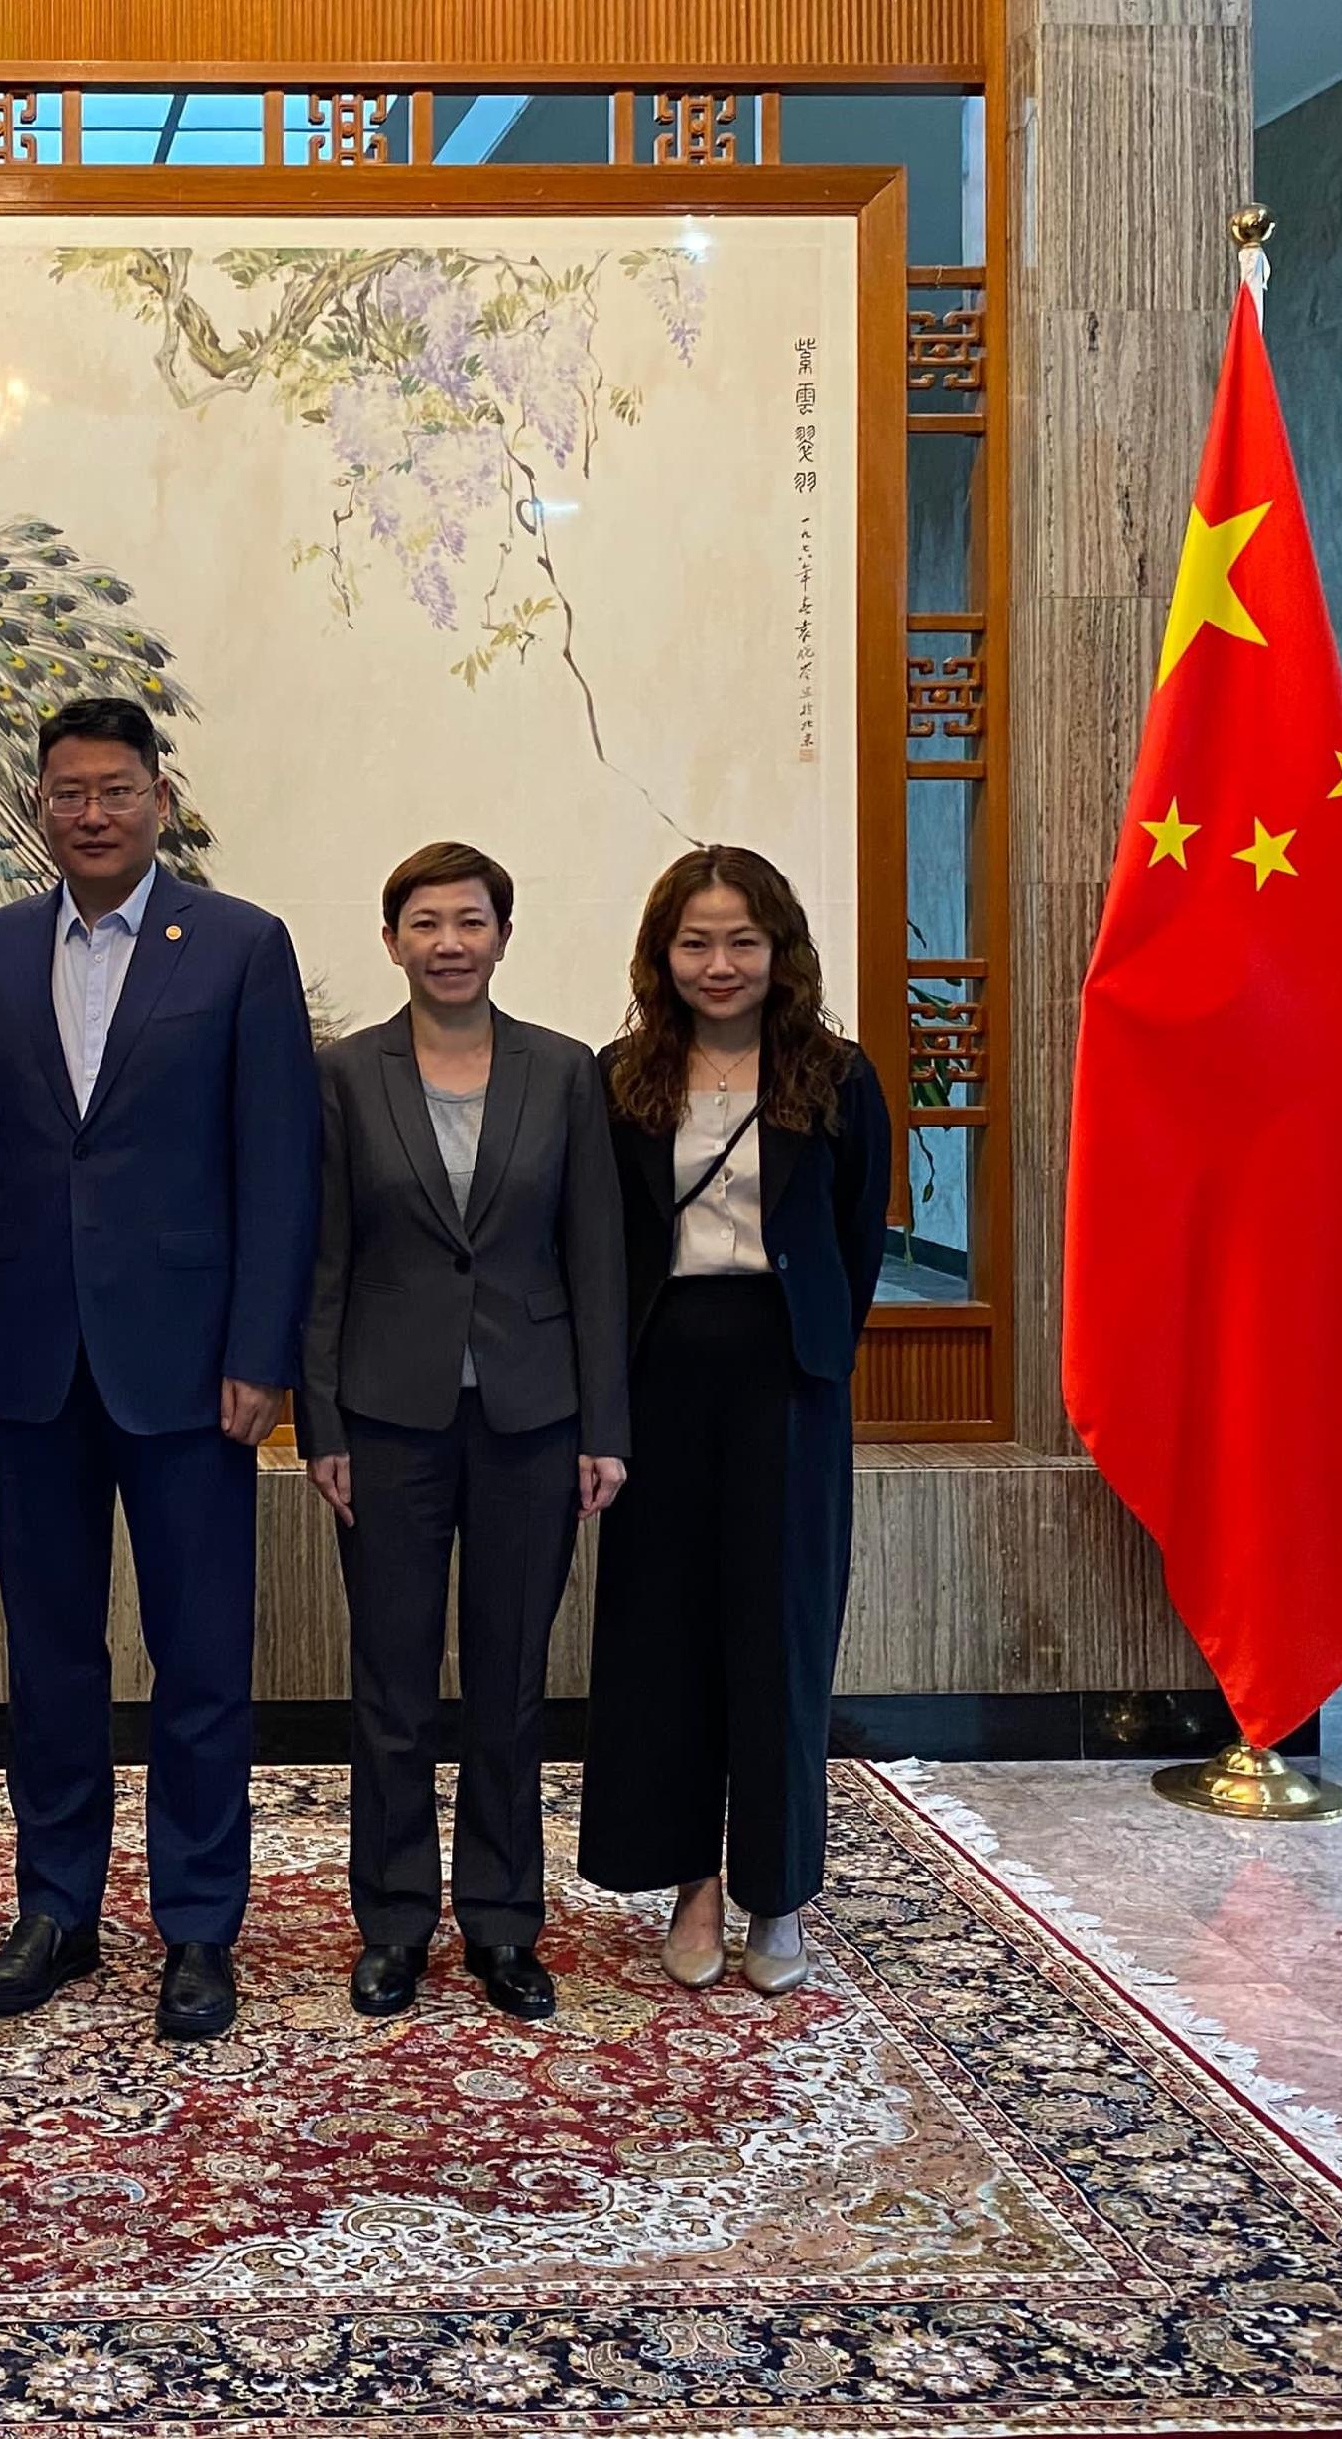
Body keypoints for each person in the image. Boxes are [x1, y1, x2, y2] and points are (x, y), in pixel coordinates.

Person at [0, 694, 320, 2043]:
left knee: (201, 1656)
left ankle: (201, 1925)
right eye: (66, 794)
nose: (90, 814)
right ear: (39, 806)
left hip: (190, 1367)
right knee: (50, 1657)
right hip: (33, 1360)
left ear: (159, 796)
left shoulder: (237, 948)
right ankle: (56, 1906)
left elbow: (281, 1170)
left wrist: (262, 1353)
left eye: (114, 790)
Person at [297, 842, 629, 2023]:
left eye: (470, 921)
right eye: (425, 923)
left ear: (502, 935)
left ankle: (500, 1923)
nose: (448, 942)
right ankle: (390, 1923)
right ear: (390, 941)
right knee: (390, 1685)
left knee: (510, 1682)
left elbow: (594, 1254)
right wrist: (319, 1422)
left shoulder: (563, 1071)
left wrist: (606, 1425)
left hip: (535, 1419)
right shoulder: (342, 1075)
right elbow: (324, 1260)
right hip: (386, 1419)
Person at [577, 844, 892, 1997]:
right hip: (657, 1376)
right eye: (696, 942)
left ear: (779, 952)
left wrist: (805, 1346)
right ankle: (689, 1884)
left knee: (780, 1636)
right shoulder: (622, 1079)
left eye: (741, 942)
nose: (719, 964)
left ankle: (777, 1893)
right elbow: (601, 1246)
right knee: (664, 1637)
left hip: (786, 1380)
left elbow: (855, 1245)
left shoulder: (836, 1077)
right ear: (663, 956)